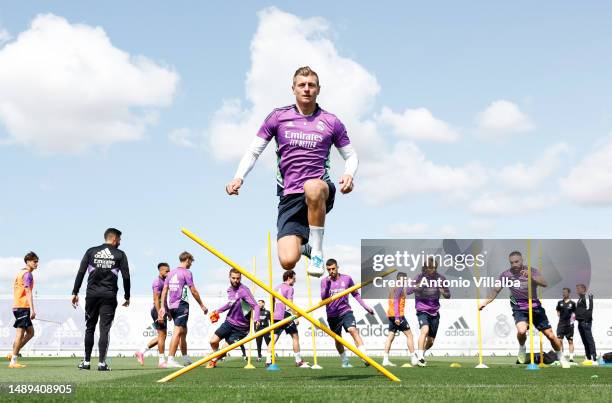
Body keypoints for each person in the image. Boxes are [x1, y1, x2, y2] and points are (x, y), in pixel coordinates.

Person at [225, 66, 359, 278]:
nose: (306, 89)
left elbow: (351, 155)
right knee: (288, 261)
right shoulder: (278, 118)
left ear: (318, 89)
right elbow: (254, 151)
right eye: (302, 85)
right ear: (293, 88)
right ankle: (305, 246)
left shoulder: (331, 121)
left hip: (319, 191)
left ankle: (316, 251)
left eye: (311, 85)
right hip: (289, 195)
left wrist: (349, 174)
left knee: (312, 186)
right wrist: (238, 178)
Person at [479, 251, 569, 368]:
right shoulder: (506, 275)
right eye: (511, 262)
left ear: (522, 260)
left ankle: (561, 356)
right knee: (521, 331)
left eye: (516, 262)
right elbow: (495, 290)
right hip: (519, 308)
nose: (514, 264)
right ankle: (522, 347)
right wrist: (485, 302)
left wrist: (530, 276)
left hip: (535, 308)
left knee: (551, 336)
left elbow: (544, 283)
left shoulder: (532, 271)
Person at [72, 228, 130, 371]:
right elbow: (126, 276)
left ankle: (86, 362)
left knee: (89, 328)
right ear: (115, 239)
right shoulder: (120, 254)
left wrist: (74, 292)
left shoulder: (91, 251)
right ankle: (102, 364)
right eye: (120, 240)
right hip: (109, 296)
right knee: (104, 329)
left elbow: (80, 272)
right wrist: (127, 296)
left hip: (91, 296)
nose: (120, 242)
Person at [159, 252, 208, 368]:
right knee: (178, 331)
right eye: (191, 261)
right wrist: (202, 305)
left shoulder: (170, 273)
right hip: (182, 305)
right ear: (187, 260)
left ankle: (185, 358)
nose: (191, 264)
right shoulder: (187, 272)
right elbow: (193, 290)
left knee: (183, 332)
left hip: (172, 306)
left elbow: (165, 290)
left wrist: (164, 307)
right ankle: (170, 359)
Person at [321, 259, 373, 368]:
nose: (331, 271)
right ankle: (345, 361)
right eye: (329, 269)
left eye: (333, 268)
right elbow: (323, 298)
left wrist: (365, 307)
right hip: (332, 314)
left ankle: (365, 356)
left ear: (337, 267)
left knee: (352, 330)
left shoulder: (347, 278)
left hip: (345, 311)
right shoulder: (325, 281)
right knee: (338, 338)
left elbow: (356, 294)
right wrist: (327, 285)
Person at [207, 268, 260, 368]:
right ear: (229, 277)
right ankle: (216, 355)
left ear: (241, 278)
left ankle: (214, 360)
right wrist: (218, 311)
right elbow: (230, 303)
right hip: (229, 322)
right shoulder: (229, 290)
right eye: (233, 278)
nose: (236, 280)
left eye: (238, 278)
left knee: (224, 349)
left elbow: (256, 306)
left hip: (241, 328)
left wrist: (257, 319)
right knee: (213, 341)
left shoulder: (244, 291)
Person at [408, 257, 450, 367]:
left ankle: (420, 353)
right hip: (422, 309)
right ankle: (421, 358)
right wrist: (418, 285)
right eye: (430, 268)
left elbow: (448, 295)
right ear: (425, 268)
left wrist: (442, 291)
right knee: (424, 330)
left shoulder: (441, 278)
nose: (432, 270)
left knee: (431, 341)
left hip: (435, 312)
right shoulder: (419, 277)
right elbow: (408, 291)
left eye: (434, 268)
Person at [135, 262, 175, 368]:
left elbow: (164, 299)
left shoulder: (165, 281)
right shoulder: (157, 282)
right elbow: (156, 299)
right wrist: (160, 314)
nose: (168, 273)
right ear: (160, 271)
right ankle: (161, 361)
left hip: (163, 311)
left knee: (162, 336)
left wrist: (168, 312)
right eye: (167, 271)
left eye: (169, 270)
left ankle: (141, 352)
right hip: (157, 311)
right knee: (162, 336)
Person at [266, 270, 309, 368]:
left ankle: (268, 360)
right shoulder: (289, 288)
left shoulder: (276, 287)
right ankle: (298, 361)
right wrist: (295, 317)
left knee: (274, 338)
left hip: (275, 315)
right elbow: (290, 304)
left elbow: (272, 300)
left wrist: (273, 313)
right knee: (295, 336)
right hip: (285, 315)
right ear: (289, 278)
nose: (295, 281)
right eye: (294, 278)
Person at [8, 252, 39, 368]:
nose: (36, 264)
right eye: (34, 261)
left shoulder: (21, 272)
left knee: (31, 332)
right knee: (20, 334)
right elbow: (28, 292)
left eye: (37, 261)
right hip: (22, 307)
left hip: (19, 306)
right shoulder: (27, 275)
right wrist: (32, 310)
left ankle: (13, 353)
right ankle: (13, 361)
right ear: (28, 262)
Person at [382, 272, 417, 367]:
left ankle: (385, 360)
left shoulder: (395, 287)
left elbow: (407, 292)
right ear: (400, 279)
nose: (405, 281)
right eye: (404, 279)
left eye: (405, 279)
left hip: (391, 315)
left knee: (390, 336)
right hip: (398, 315)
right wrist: (397, 317)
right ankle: (413, 358)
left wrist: (415, 288)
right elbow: (396, 301)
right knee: (410, 335)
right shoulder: (400, 287)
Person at [575, 284, 597, 365]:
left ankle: (594, 358)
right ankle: (588, 358)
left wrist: (586, 320)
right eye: (576, 289)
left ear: (584, 290)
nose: (577, 290)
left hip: (585, 322)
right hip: (580, 322)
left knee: (589, 340)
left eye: (578, 289)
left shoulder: (587, 297)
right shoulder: (580, 299)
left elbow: (590, 308)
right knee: (584, 341)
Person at [556, 287, 576, 362]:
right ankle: (562, 357)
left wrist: (572, 322)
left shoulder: (572, 303)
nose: (564, 293)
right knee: (559, 341)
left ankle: (571, 358)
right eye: (563, 292)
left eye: (565, 292)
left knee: (570, 341)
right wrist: (561, 318)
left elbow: (574, 314)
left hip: (569, 326)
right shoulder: (559, 302)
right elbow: (558, 311)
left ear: (568, 293)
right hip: (561, 325)